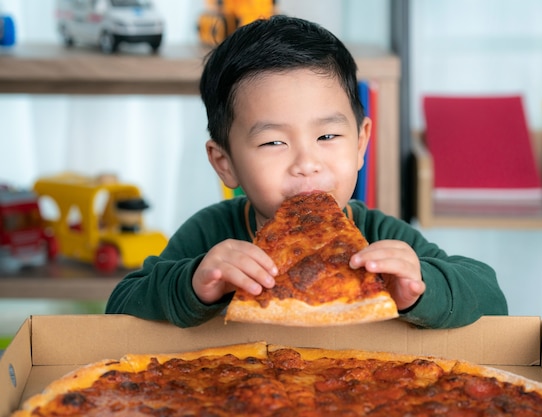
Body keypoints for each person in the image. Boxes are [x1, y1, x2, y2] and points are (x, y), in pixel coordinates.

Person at [105, 15, 508, 328]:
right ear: (224, 163)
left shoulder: (382, 237)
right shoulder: (211, 234)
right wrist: (193, 283)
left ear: (361, 143)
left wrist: (421, 289)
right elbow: (120, 307)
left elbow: (492, 298)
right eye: (273, 143)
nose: (306, 163)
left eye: (328, 135)